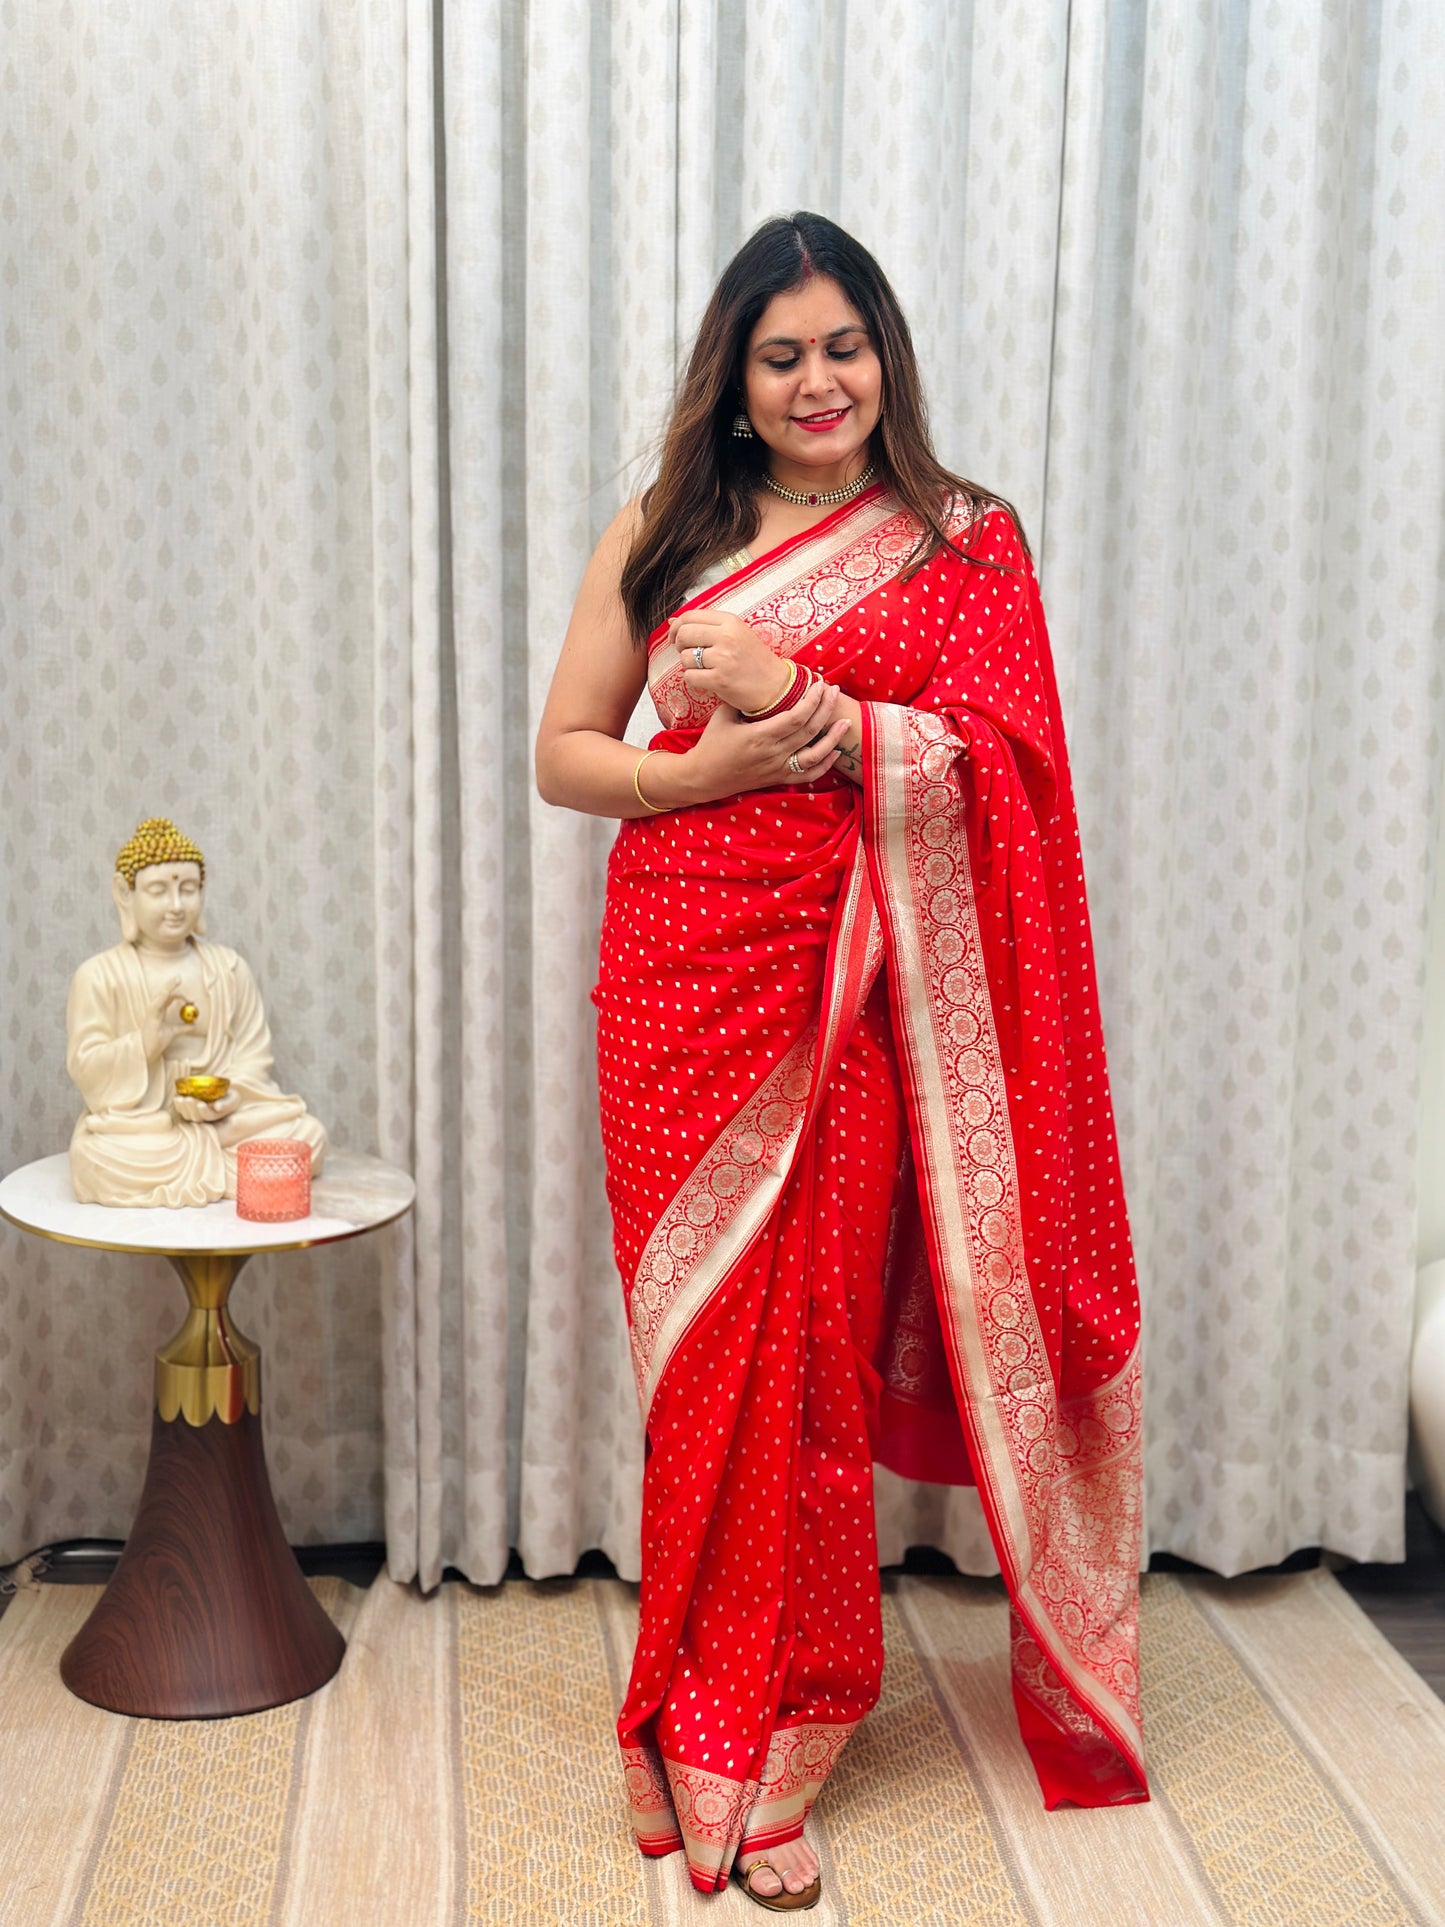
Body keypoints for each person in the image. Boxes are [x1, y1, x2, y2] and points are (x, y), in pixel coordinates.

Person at [535, 212, 1147, 1910]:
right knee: (699, 1372)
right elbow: (565, 755)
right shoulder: (664, 531)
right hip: (676, 986)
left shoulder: (964, 543)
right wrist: (711, 771)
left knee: (803, 1363)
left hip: (864, 1001)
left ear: (889, 353)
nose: (821, 381)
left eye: (846, 344)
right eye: (783, 353)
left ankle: (782, 1736)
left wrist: (807, 692)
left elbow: (1011, 777)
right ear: (734, 383)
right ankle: (678, 1709)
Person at [67, 816, 327, 1208]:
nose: (176, 906)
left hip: (226, 1123)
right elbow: (86, 1068)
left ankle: (208, 1153)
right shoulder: (99, 976)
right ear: (125, 894)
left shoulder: (229, 969)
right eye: (157, 890)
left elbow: (254, 1059)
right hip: (147, 1128)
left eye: (188, 890)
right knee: (97, 1156)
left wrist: (229, 1098)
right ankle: (214, 1165)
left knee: (307, 1134)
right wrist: (144, 1045)